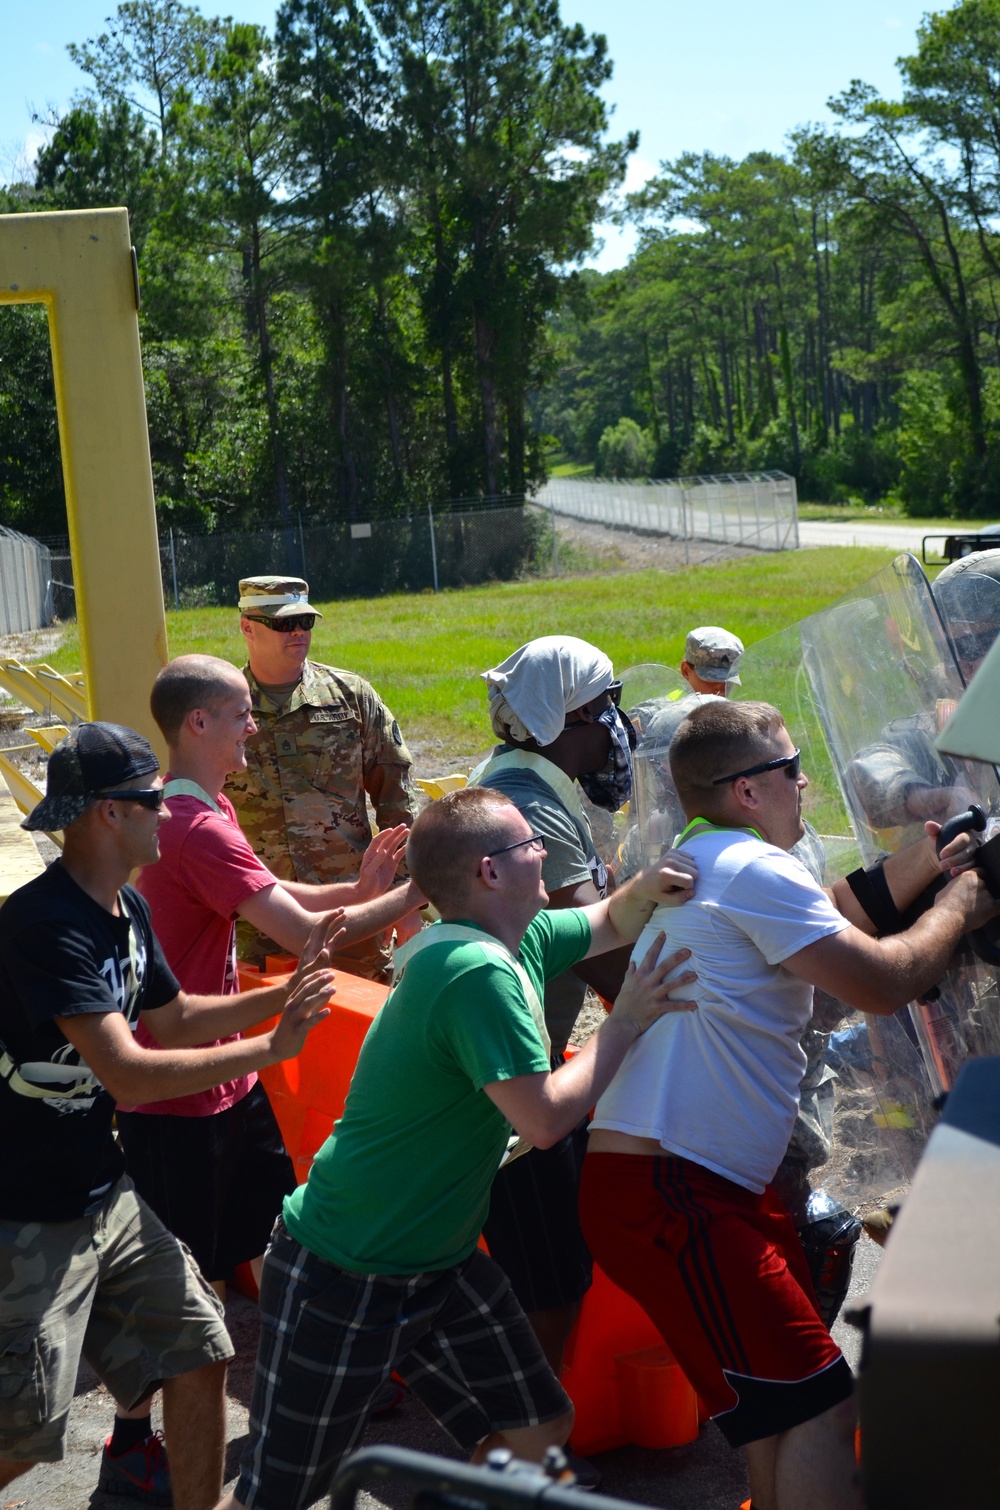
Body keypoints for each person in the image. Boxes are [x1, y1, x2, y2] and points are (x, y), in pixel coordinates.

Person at [214, 785, 700, 1510]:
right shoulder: (474, 973)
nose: (544, 849)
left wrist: (646, 885)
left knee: (539, 1423)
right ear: (490, 873)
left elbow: (606, 919)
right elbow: (541, 1122)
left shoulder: (518, 937)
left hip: (436, 1264)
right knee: (282, 1490)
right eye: (528, 841)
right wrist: (623, 1022)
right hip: (346, 1269)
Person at [579, 698, 994, 1510]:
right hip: (676, 1191)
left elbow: (829, 919)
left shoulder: (709, 855)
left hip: (684, 1184)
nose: (806, 781)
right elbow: (883, 981)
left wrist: (932, 857)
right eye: (791, 769)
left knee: (780, 1416)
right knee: (821, 1405)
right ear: (746, 790)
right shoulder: (751, 869)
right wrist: (970, 895)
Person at [0, 723, 336, 1510]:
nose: (168, 813)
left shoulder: (125, 908)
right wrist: (271, 1048)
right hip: (23, 1212)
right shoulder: (44, 925)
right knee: (23, 1432)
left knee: (200, 1349)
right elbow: (131, 1077)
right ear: (107, 815)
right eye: (152, 799)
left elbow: (177, 1018)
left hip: (98, 1191)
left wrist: (289, 992)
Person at [472, 636, 636, 1418]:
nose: (618, 728)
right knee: (551, 1280)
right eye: (607, 709)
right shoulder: (535, 808)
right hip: (516, 1082)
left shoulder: (515, 783)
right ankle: (528, 1452)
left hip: (508, 1058)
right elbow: (595, 951)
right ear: (567, 717)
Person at [224, 575, 418, 980]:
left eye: (305, 622)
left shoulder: (351, 697)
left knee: (362, 1027)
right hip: (257, 919)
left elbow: (397, 802)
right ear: (247, 627)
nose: (297, 632)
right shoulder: (223, 706)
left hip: (354, 916)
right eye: (283, 623)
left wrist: (406, 903)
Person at [678, 624, 744, 696]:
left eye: (727, 682)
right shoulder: (671, 706)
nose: (721, 691)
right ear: (686, 671)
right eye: (711, 680)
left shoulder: (738, 706)